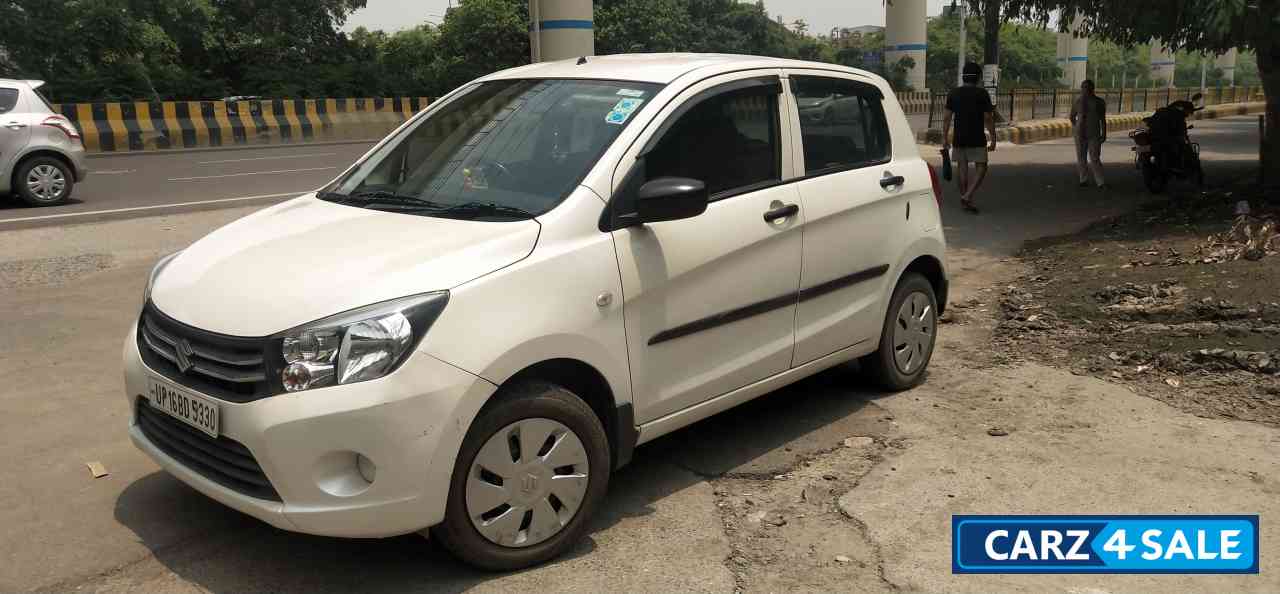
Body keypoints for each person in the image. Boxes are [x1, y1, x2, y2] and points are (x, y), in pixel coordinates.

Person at [942, 62, 997, 213]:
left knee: (962, 167)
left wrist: (944, 137)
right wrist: (993, 138)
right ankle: (968, 195)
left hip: (959, 137)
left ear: (963, 76)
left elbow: (947, 118)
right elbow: (988, 118)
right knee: (982, 167)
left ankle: (965, 199)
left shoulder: (953, 93)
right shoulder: (982, 94)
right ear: (978, 77)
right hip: (977, 138)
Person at [1070, 79, 1108, 189]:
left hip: (1094, 133)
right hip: (1080, 134)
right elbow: (1072, 116)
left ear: (1092, 89)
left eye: (1087, 87)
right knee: (1081, 157)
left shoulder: (1099, 102)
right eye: (1083, 87)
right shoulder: (1078, 102)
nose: (1085, 90)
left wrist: (1104, 133)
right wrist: (1077, 127)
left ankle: (1100, 182)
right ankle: (1083, 179)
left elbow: (1103, 119)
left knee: (1095, 157)